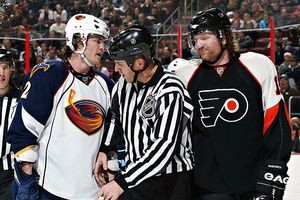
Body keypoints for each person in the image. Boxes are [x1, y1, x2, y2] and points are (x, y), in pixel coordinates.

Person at [186, 8, 291, 200]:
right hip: (207, 185)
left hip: (253, 182)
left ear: (224, 37)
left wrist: (275, 173)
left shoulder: (258, 66)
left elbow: (276, 123)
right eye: (195, 38)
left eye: (205, 37)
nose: (198, 45)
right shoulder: (186, 74)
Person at [6, 14, 114, 200]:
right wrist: (26, 176)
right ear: (79, 41)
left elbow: (115, 127)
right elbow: (25, 128)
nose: (102, 47)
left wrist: (105, 149)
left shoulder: (107, 85)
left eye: (103, 41)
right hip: (49, 188)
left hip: (92, 192)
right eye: (97, 40)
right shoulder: (48, 75)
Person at [95, 25, 194, 200]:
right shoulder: (122, 85)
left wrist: (122, 182)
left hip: (171, 180)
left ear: (139, 63)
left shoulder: (170, 88)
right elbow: (116, 118)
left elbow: (164, 146)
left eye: (119, 64)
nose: (116, 69)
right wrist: (105, 148)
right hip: (139, 175)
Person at [0, 48, 21, 200]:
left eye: (4, 67)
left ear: (11, 69)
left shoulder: (21, 100)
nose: (1, 73)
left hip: (9, 173)